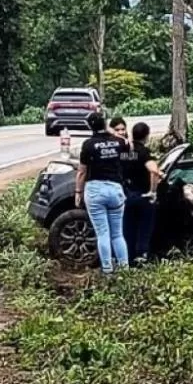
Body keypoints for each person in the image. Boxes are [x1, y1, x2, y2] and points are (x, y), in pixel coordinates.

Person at [75, 112, 130, 274]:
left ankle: (107, 270)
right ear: (106, 124)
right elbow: (129, 150)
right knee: (117, 234)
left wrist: (78, 192)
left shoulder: (88, 145)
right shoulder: (119, 142)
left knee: (103, 234)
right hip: (115, 190)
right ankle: (125, 269)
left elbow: (82, 172)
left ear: (89, 126)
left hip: (95, 191)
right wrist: (112, 133)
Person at [121, 122, 162, 264]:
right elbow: (154, 171)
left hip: (127, 195)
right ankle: (142, 259)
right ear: (146, 136)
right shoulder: (144, 152)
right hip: (143, 197)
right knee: (144, 231)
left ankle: (128, 260)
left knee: (128, 230)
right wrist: (153, 191)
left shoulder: (125, 152)